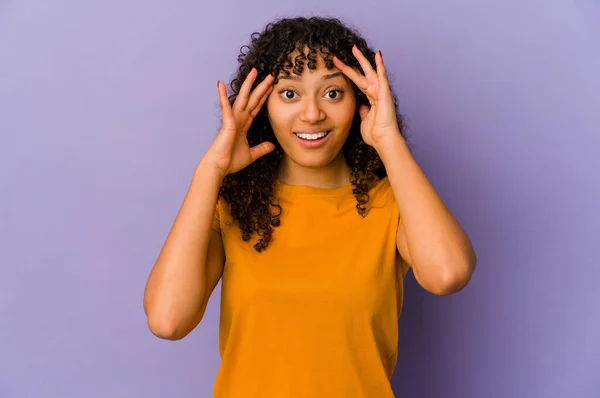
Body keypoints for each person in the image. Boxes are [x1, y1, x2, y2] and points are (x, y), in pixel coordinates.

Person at [143, 16, 477, 397]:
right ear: (262, 106)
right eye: (289, 94)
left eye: (332, 93)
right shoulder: (231, 207)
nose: (313, 113)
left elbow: (449, 274)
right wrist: (211, 172)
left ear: (360, 102)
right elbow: (168, 320)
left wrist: (389, 141)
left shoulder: (391, 203)